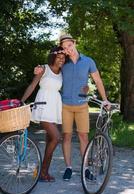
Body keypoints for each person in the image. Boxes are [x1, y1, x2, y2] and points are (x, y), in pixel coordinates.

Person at [34, 34, 110, 181]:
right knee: (67, 136)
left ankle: (85, 168)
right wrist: (39, 68)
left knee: (83, 136)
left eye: (69, 46)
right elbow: (50, 68)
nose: (68, 50)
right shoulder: (63, 62)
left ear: (74, 43)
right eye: (64, 48)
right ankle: (68, 167)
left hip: (82, 106)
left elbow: (98, 81)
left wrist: (105, 99)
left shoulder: (88, 61)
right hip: (65, 106)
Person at [21, 46, 66, 182]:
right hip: (43, 105)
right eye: (58, 57)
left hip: (55, 106)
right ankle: (42, 170)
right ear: (53, 57)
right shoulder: (44, 68)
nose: (61, 60)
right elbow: (32, 85)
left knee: (50, 141)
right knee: (57, 137)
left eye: (63, 58)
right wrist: (21, 101)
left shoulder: (63, 72)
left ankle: (43, 172)